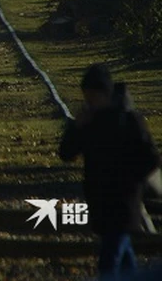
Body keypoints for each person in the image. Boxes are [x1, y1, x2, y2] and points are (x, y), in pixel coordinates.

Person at [59, 64, 160, 279]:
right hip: (100, 201)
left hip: (123, 200)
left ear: (105, 93)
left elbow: (150, 159)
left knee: (110, 258)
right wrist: (75, 128)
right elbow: (66, 153)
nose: (89, 102)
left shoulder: (128, 120)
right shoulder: (90, 120)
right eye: (86, 97)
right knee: (122, 256)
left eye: (93, 96)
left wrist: (131, 180)